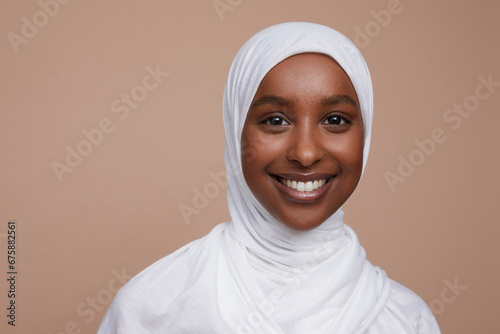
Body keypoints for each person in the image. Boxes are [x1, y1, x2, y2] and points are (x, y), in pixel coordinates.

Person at [97, 22, 441, 333]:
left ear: (364, 138)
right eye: (275, 120)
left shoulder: (406, 320)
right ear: (236, 135)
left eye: (335, 120)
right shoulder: (153, 310)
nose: (305, 153)